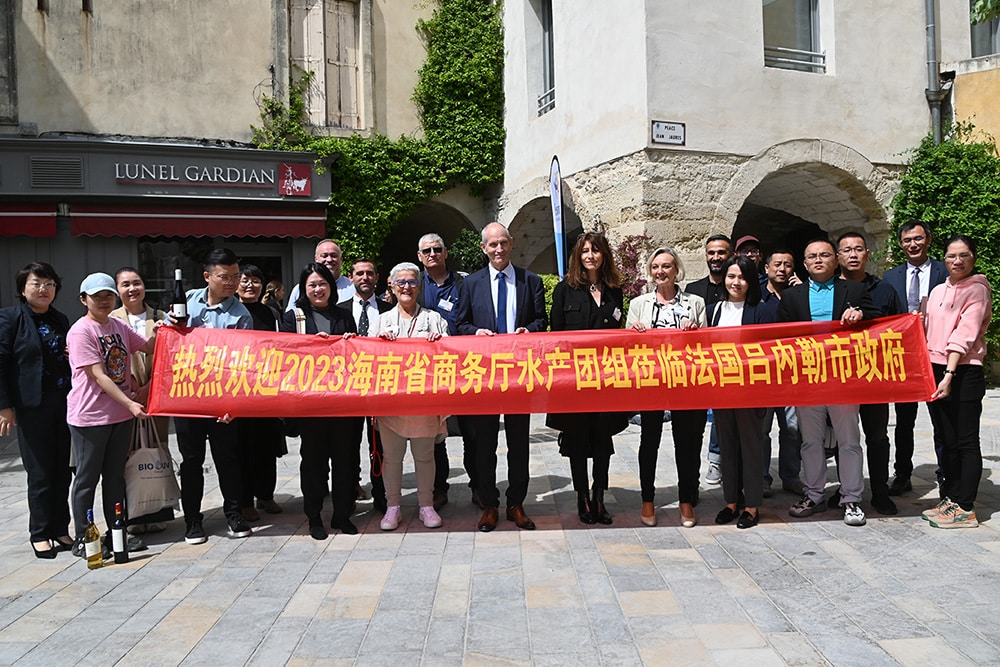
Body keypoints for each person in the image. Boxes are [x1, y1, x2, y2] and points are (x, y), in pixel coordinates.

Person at [455, 222, 547, 533]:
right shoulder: (471, 284)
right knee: (484, 444)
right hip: (483, 376)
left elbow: (540, 321)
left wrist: (528, 330)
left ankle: (516, 503)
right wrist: (475, 332)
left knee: (519, 443)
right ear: (483, 248)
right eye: (492, 245)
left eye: (503, 243)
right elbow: (460, 324)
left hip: (519, 375)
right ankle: (489, 504)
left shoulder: (530, 281)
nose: (498, 250)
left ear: (511, 244)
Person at [778, 239, 877, 527]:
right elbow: (781, 338)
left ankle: (852, 498)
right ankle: (814, 494)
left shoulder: (855, 290)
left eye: (824, 255)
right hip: (807, 379)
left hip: (843, 377)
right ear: (805, 263)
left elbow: (881, 321)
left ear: (836, 260)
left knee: (849, 441)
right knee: (810, 441)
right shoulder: (792, 296)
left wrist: (862, 315)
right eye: (812, 256)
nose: (818, 260)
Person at [66, 273, 157, 559]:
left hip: (119, 416)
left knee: (115, 477)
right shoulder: (81, 331)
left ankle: (117, 531)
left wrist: (172, 331)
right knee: (86, 479)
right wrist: (131, 404)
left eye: (107, 295)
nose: (104, 301)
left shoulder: (118, 325)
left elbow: (147, 347)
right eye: (96, 297)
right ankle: (84, 536)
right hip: (90, 417)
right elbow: (100, 377)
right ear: (84, 300)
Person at [167, 248, 253, 544]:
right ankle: (193, 519)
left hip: (223, 401)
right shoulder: (187, 301)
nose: (232, 282)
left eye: (236, 276)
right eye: (225, 277)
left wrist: (235, 404)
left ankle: (233, 514)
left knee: (227, 459)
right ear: (208, 276)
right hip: (189, 397)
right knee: (191, 461)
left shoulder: (241, 314)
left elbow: (244, 364)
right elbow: (171, 340)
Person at [626, 247, 707, 528]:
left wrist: (695, 331)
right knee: (649, 442)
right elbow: (626, 346)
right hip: (651, 382)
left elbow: (706, 345)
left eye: (667, 266)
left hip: (685, 383)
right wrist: (634, 332)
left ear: (677, 270)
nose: (661, 271)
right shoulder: (639, 304)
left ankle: (686, 500)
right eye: (656, 267)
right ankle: (647, 499)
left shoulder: (695, 302)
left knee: (685, 443)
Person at [548, 232, 625, 525]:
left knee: (602, 442)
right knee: (577, 442)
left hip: (605, 382)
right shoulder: (565, 290)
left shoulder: (614, 290)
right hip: (575, 382)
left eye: (595, 251)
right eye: (585, 251)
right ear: (578, 256)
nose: (590, 256)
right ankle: (581, 497)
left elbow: (618, 334)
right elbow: (556, 337)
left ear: (604, 254)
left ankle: (599, 497)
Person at [0, 262, 74, 559]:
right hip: (32, 405)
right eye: (37, 284)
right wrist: (5, 407)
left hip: (64, 402)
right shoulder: (10, 318)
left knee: (62, 470)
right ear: (23, 288)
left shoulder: (60, 318)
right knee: (40, 471)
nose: (44, 290)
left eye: (50, 284)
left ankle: (60, 528)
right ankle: (40, 532)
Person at [279, 262, 359, 540]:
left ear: (331, 287)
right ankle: (314, 515)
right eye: (312, 284)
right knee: (313, 461)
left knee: (344, 459)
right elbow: (285, 356)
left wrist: (351, 342)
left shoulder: (343, 315)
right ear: (304, 288)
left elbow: (356, 356)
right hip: (310, 404)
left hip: (342, 402)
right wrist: (311, 345)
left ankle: (342, 514)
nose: (318, 289)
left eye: (322, 284)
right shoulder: (293, 317)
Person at [921, 235, 991, 529]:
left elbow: (964, 334)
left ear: (973, 257)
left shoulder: (978, 290)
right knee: (946, 439)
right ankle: (951, 496)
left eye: (964, 255)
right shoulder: (937, 290)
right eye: (951, 256)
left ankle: (965, 506)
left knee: (965, 441)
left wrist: (949, 375)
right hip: (936, 369)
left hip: (962, 371)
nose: (957, 261)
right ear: (944, 259)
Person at [375, 262, 450, 531]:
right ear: (392, 287)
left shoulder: (434, 318)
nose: (407, 287)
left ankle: (426, 506)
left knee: (425, 456)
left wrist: (439, 341)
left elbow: (450, 356)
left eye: (412, 282)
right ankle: (393, 507)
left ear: (420, 286)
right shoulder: (381, 321)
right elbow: (367, 360)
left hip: (424, 403)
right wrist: (378, 343)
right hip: (392, 404)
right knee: (392, 457)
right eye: (401, 282)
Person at [836, 232, 904, 516]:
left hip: (874, 375)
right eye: (846, 250)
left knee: (877, 436)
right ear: (837, 256)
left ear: (867, 254)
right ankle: (846, 492)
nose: (852, 254)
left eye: (858, 249)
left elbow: (899, 329)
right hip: (839, 377)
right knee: (842, 439)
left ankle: (879, 491)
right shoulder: (826, 290)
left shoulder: (884, 289)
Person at [709, 256, 778, 530]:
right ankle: (730, 501)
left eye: (742, 278)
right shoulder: (715, 310)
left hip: (750, 390)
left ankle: (751, 505)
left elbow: (769, 352)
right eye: (731, 277)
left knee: (751, 446)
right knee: (727, 445)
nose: (736, 283)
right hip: (722, 389)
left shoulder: (760, 311)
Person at [882, 221, 948, 496]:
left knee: (941, 419)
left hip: (936, 353)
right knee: (904, 420)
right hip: (904, 355)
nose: (913, 244)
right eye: (907, 240)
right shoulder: (891, 277)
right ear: (900, 243)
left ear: (928, 240)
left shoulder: (945, 272)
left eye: (918, 239)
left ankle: (946, 473)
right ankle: (903, 473)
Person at [416, 233, 476, 512]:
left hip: (465, 369)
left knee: (472, 432)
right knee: (435, 434)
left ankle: (478, 485)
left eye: (437, 249)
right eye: (426, 250)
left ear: (446, 252)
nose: (432, 254)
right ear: (419, 256)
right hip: (429, 373)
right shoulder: (413, 284)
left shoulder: (466, 283)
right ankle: (439, 488)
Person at [111, 266, 171, 536]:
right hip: (122, 399)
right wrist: (130, 391)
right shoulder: (110, 319)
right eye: (125, 284)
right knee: (126, 455)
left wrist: (148, 389)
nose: (132, 289)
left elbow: (170, 357)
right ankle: (132, 515)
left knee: (155, 451)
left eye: (137, 282)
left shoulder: (160, 317)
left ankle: (157, 512)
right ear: (117, 290)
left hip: (155, 396)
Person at [337, 258, 391, 509]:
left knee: (379, 445)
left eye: (370, 273)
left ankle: (381, 497)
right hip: (348, 388)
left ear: (377, 277)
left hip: (380, 386)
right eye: (360, 273)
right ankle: (348, 494)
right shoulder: (339, 310)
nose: (365, 278)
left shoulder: (388, 309)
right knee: (346, 445)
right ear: (351, 278)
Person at [235, 265, 284, 520]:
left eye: (256, 280)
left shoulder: (271, 313)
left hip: (266, 389)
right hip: (238, 389)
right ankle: (244, 501)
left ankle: (266, 495)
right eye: (245, 280)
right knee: (243, 447)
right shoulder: (230, 310)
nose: (250, 285)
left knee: (267, 445)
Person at [685, 234, 732, 486]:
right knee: (695, 426)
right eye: (711, 253)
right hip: (700, 366)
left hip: (730, 364)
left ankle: (725, 462)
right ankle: (698, 475)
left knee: (727, 418)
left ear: (730, 255)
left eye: (721, 252)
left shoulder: (736, 285)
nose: (716, 257)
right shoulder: (693, 291)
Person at [760, 250, 804, 498]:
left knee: (792, 428)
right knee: (762, 430)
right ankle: (763, 478)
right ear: (766, 268)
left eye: (788, 264)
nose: (783, 269)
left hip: (791, 373)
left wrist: (800, 293)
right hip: (765, 374)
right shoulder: (758, 297)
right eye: (777, 264)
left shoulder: (799, 295)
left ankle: (791, 476)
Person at [285, 239, 355, 311]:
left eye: (333, 255)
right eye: (324, 256)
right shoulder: (300, 289)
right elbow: (291, 317)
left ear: (341, 260)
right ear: (316, 259)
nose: (329, 259)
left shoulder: (353, 288)